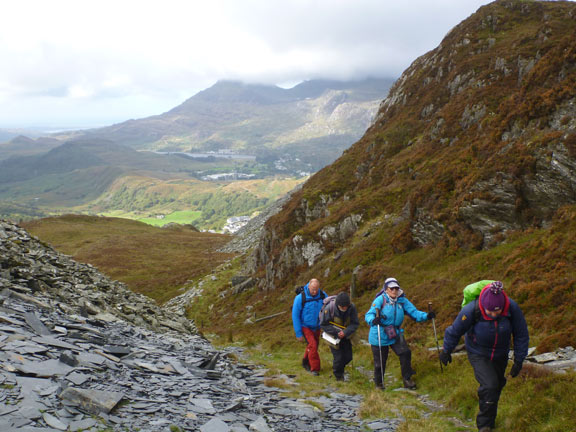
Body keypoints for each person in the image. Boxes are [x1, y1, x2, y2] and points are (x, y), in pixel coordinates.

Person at [440, 281, 529, 432]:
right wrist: (446, 351)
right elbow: (454, 330)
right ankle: (484, 426)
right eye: (490, 312)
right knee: (489, 385)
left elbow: (521, 334)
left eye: (498, 311)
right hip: (478, 352)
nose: (494, 315)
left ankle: (490, 421)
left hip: (501, 353)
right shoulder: (471, 310)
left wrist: (519, 360)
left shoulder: (511, 308)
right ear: (483, 306)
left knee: (498, 385)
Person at [365, 277, 434, 390]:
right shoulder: (380, 300)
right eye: (391, 288)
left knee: (405, 353)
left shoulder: (402, 301)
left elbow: (414, 313)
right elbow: (369, 314)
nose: (394, 291)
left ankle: (407, 379)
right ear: (386, 289)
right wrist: (372, 320)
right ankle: (379, 383)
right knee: (380, 362)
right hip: (379, 333)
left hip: (395, 333)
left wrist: (426, 316)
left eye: (396, 288)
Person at [320, 291, 359, 381]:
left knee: (348, 357)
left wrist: (345, 332)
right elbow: (323, 325)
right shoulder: (329, 308)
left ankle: (339, 368)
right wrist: (336, 332)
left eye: (346, 306)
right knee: (338, 358)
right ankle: (338, 377)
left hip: (347, 336)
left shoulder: (352, 308)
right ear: (338, 305)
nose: (344, 308)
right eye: (342, 307)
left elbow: (355, 324)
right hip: (333, 337)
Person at [292, 278, 326, 376]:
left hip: (318, 326)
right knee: (313, 346)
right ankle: (315, 369)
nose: (315, 292)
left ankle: (305, 361)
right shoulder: (300, 298)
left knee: (312, 346)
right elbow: (295, 315)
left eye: (316, 289)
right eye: (312, 289)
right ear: (308, 286)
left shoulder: (323, 295)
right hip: (305, 326)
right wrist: (298, 333)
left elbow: (328, 308)